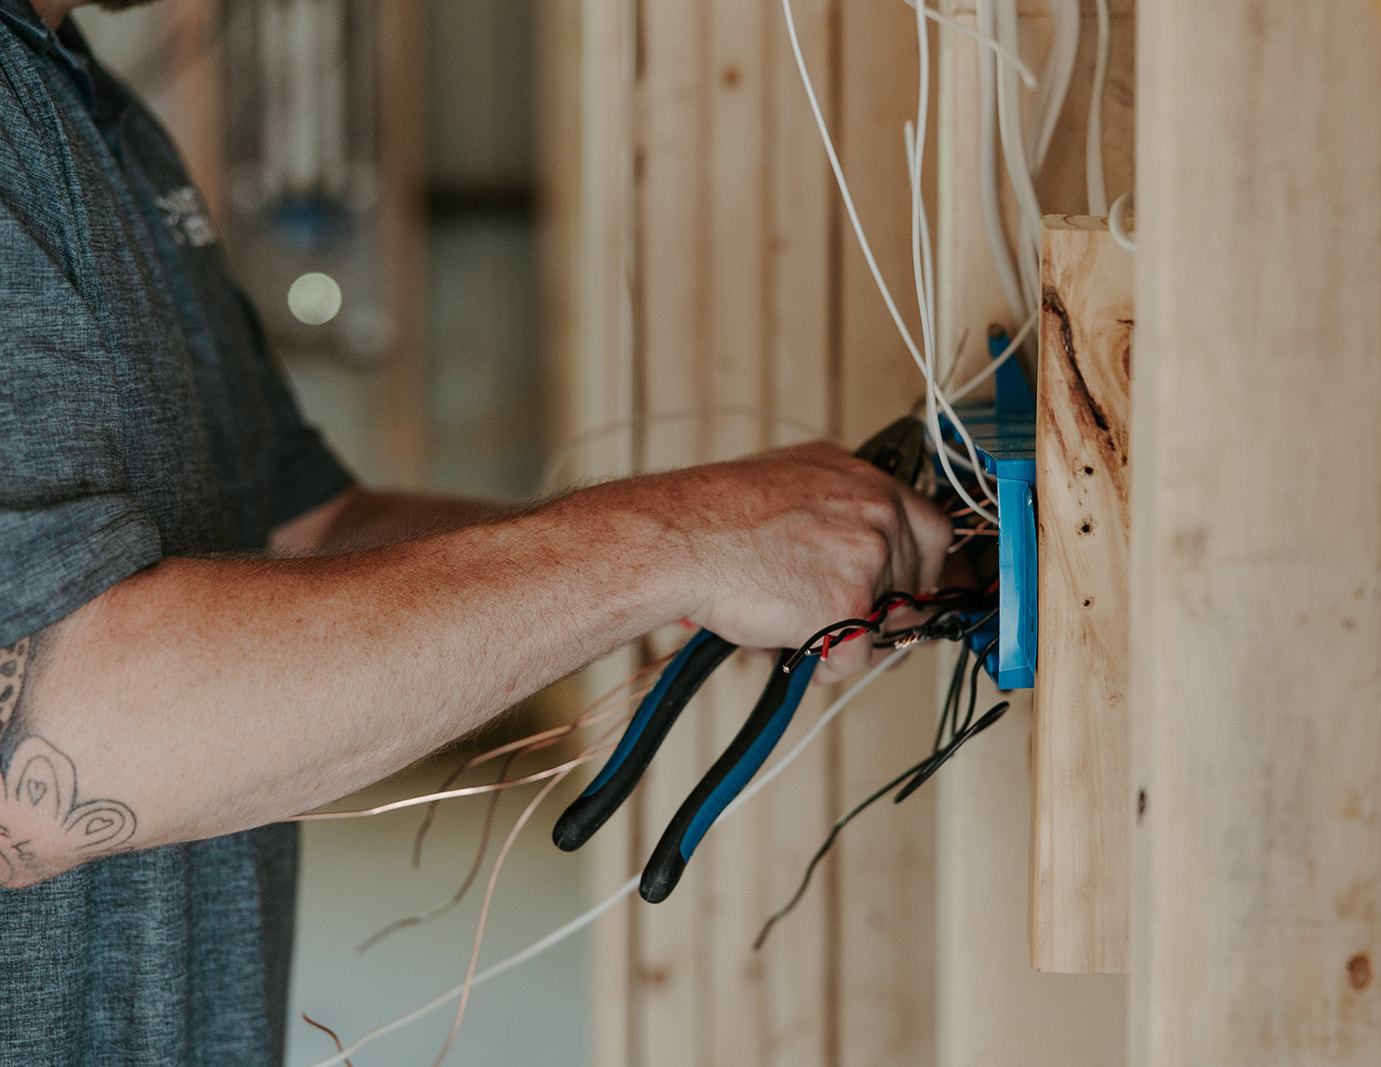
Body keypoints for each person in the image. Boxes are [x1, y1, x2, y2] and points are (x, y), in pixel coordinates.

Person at [0, 0, 951, 1062]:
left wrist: (691, 581)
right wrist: (676, 540)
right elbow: (63, 727)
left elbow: (297, 534)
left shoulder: (87, 108)